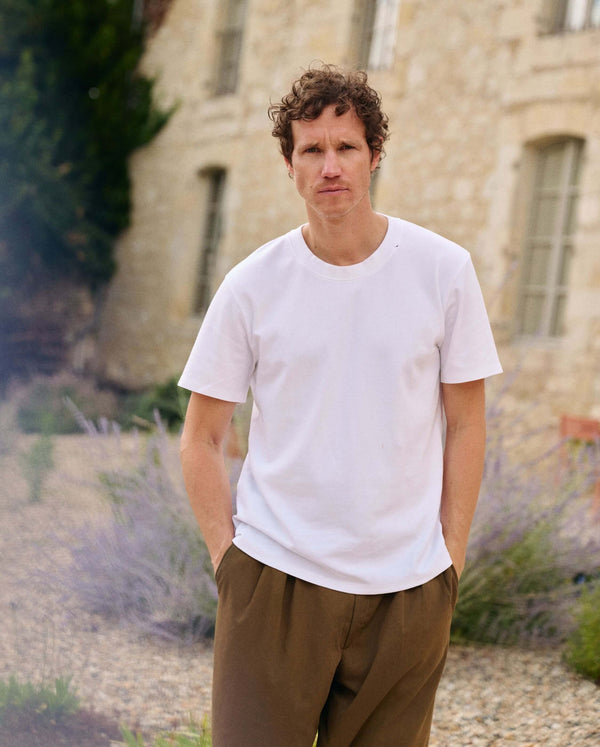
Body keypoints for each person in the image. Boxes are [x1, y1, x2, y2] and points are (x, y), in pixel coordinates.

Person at [179, 64, 502, 747]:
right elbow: (201, 437)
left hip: (408, 591)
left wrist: (449, 561)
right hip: (274, 582)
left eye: (346, 146)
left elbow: (467, 422)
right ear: (289, 165)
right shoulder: (251, 286)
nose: (330, 166)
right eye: (312, 149)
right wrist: (230, 565)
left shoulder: (443, 270)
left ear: (375, 154)